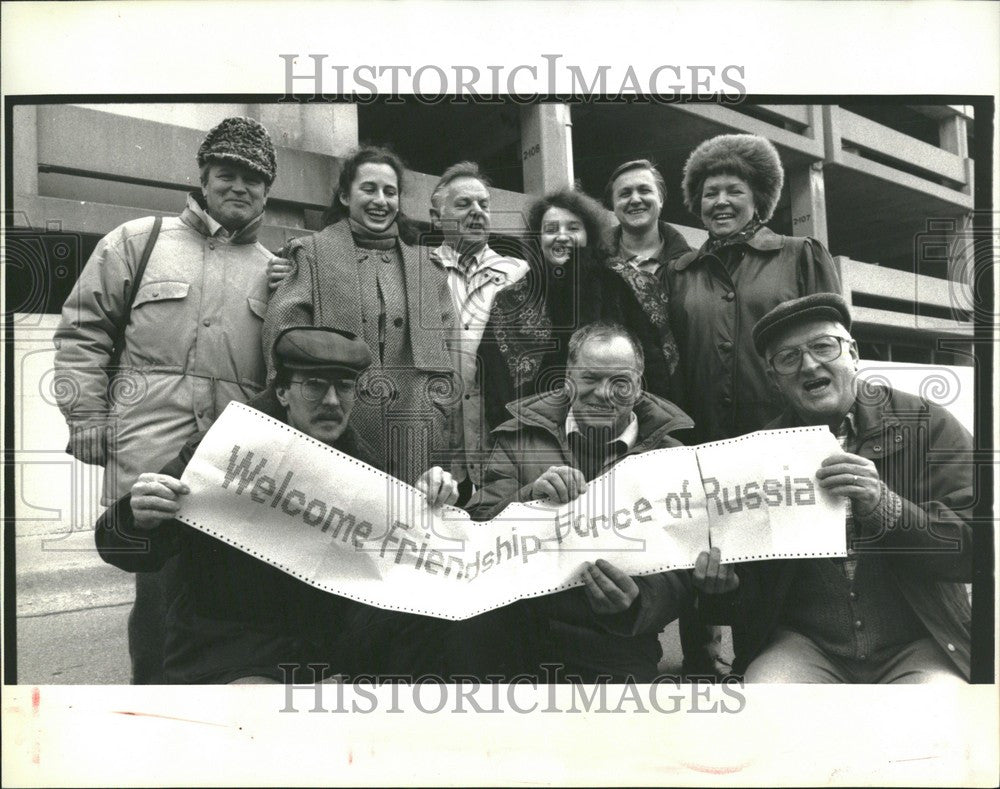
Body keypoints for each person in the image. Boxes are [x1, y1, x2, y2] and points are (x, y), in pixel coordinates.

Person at [94, 326, 461, 684]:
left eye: (344, 387)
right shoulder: (225, 450)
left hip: (319, 653)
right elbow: (122, 548)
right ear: (283, 392)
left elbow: (396, 561)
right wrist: (136, 516)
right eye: (315, 386)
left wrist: (428, 500)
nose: (332, 401)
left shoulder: (359, 463)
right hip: (228, 650)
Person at [53, 116, 281, 684]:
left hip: (235, 473)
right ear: (203, 179)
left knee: (232, 620)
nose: (239, 187)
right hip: (152, 466)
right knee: (157, 613)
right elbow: (83, 332)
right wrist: (86, 415)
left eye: (253, 179)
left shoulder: (276, 272)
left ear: (267, 191)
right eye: (226, 173)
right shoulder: (136, 241)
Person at [694, 294, 972, 683]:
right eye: (787, 358)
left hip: (919, 642)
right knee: (766, 707)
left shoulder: (928, 423)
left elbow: (978, 550)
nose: (809, 364)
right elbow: (749, 593)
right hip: (807, 645)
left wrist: (887, 508)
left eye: (823, 346)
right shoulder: (757, 453)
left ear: (853, 353)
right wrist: (723, 588)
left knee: (933, 719)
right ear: (774, 379)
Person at [664, 133, 843, 677]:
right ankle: (700, 661)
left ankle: (770, 665)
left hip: (781, 441)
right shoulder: (679, 273)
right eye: (709, 192)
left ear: (758, 199)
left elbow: (829, 345)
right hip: (703, 441)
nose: (720, 201)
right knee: (706, 555)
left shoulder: (799, 255)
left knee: (771, 560)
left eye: (733, 190)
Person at [466, 322, 697, 682]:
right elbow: (476, 530)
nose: (603, 393)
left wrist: (638, 603)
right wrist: (529, 499)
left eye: (620, 382)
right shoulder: (517, 438)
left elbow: (687, 571)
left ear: (638, 387)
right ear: (568, 380)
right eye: (590, 378)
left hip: (617, 643)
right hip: (515, 632)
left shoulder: (673, 459)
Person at [263, 146, 456, 487]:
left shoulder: (429, 270)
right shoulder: (310, 255)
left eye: (390, 191)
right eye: (369, 188)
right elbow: (282, 348)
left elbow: (448, 361)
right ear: (344, 195)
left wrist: (439, 426)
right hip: (331, 435)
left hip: (414, 440)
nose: (380, 200)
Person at [489, 187, 680, 415]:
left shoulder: (621, 283)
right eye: (551, 229)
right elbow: (496, 381)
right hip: (540, 431)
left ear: (588, 234)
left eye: (573, 228)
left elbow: (654, 368)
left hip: (618, 420)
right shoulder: (512, 299)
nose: (562, 236)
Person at [426, 162, 529, 502]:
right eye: (463, 204)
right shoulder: (415, 271)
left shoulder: (520, 275)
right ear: (436, 217)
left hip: (502, 450)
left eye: (484, 204)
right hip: (438, 459)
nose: (477, 212)